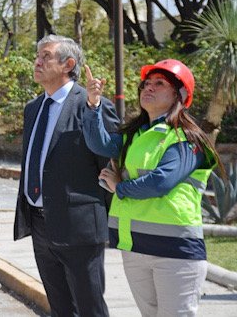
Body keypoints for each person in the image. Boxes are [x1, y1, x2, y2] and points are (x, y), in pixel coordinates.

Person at [83, 59, 223, 316]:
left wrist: (120, 187)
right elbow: (99, 144)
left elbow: (161, 181)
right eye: (146, 83)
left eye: (159, 83)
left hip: (176, 252)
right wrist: (93, 104)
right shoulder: (135, 135)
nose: (149, 87)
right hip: (136, 247)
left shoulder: (187, 138)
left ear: (179, 95)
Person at [14, 34, 119, 317]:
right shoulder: (33, 108)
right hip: (40, 225)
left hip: (79, 228)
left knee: (89, 308)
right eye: (37, 55)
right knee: (60, 309)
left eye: (45, 56)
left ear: (68, 64)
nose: (37, 61)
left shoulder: (91, 104)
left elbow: (109, 163)